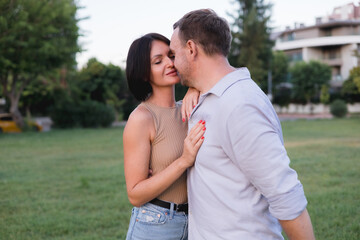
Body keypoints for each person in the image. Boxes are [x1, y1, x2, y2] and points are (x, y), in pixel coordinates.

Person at [170, 9, 316, 240]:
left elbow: (285, 195)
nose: (173, 64)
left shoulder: (240, 104)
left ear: (191, 49)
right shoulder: (208, 97)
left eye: (174, 54)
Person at [123, 33, 205, 240]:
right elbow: (135, 194)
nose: (170, 63)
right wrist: (183, 161)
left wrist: (195, 87)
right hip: (156, 224)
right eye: (158, 61)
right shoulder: (142, 118)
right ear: (143, 74)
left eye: (171, 55)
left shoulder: (190, 107)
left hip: (196, 223)